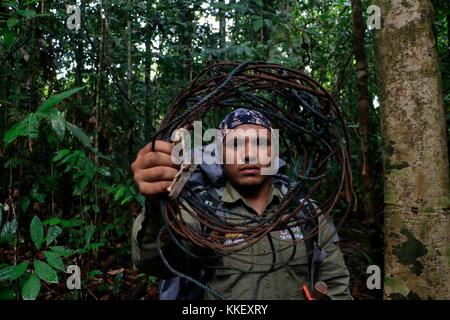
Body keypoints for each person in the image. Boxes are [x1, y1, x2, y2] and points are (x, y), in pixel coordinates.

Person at [130, 108, 352, 300]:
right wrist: (157, 205)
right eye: (235, 145)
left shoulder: (305, 211)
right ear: (220, 155)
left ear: (273, 152)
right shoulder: (202, 210)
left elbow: (335, 282)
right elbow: (155, 262)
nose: (248, 155)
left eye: (261, 143)